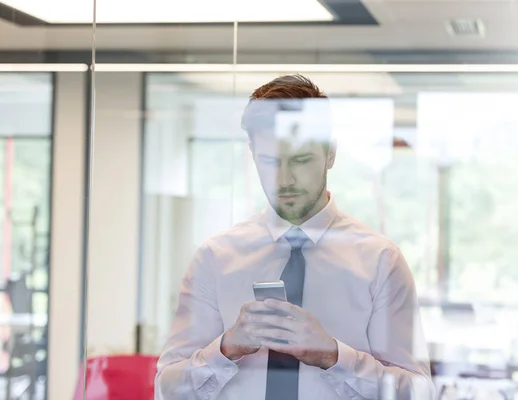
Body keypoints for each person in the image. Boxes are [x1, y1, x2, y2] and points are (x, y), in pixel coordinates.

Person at [155, 75, 434, 400]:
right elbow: (166, 389)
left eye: (301, 160)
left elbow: (419, 393)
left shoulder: (379, 261)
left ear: (330, 154)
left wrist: (333, 356)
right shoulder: (215, 258)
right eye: (271, 161)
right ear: (252, 154)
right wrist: (226, 348)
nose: (284, 180)